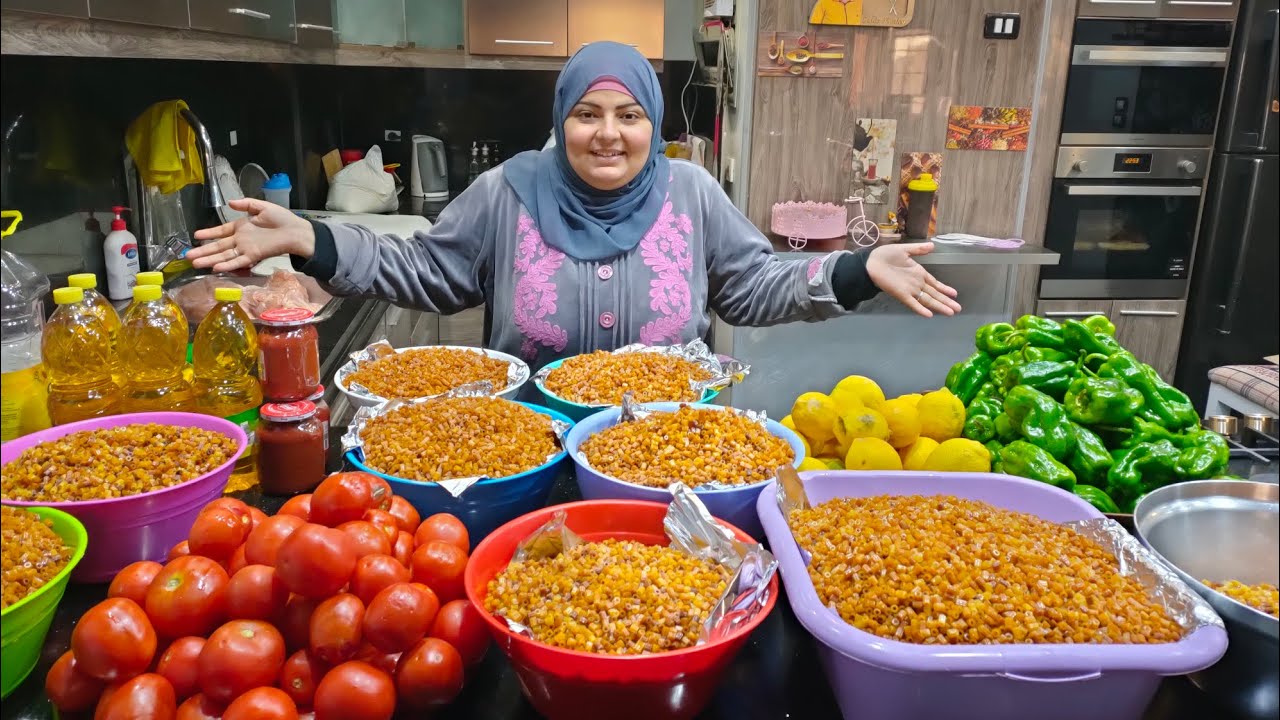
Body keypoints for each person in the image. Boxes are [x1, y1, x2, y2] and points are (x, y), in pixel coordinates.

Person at [188, 42, 960, 368]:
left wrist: (857, 270)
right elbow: (426, 269)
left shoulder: (689, 193)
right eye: (587, 113)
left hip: (667, 461)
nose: (608, 134)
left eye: (629, 116)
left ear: (652, 125)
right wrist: (312, 239)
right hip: (526, 455)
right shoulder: (508, 191)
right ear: (561, 119)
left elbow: (753, 287)